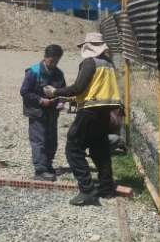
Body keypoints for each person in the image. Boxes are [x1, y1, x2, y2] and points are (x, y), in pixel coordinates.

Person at [44, 32, 122, 206]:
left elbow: (78, 88)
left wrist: (55, 92)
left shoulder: (89, 62)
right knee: (99, 149)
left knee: (73, 146)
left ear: (88, 47)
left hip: (90, 110)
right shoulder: (108, 63)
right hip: (106, 111)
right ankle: (106, 188)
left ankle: (87, 190)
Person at [20, 44, 66, 182]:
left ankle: (48, 165)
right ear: (45, 57)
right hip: (36, 113)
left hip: (52, 113)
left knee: (52, 141)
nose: (53, 64)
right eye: (51, 61)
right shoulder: (33, 72)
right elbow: (24, 92)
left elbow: (62, 91)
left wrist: (61, 102)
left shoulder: (59, 73)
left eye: (56, 61)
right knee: (39, 140)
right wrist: (40, 100)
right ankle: (40, 170)